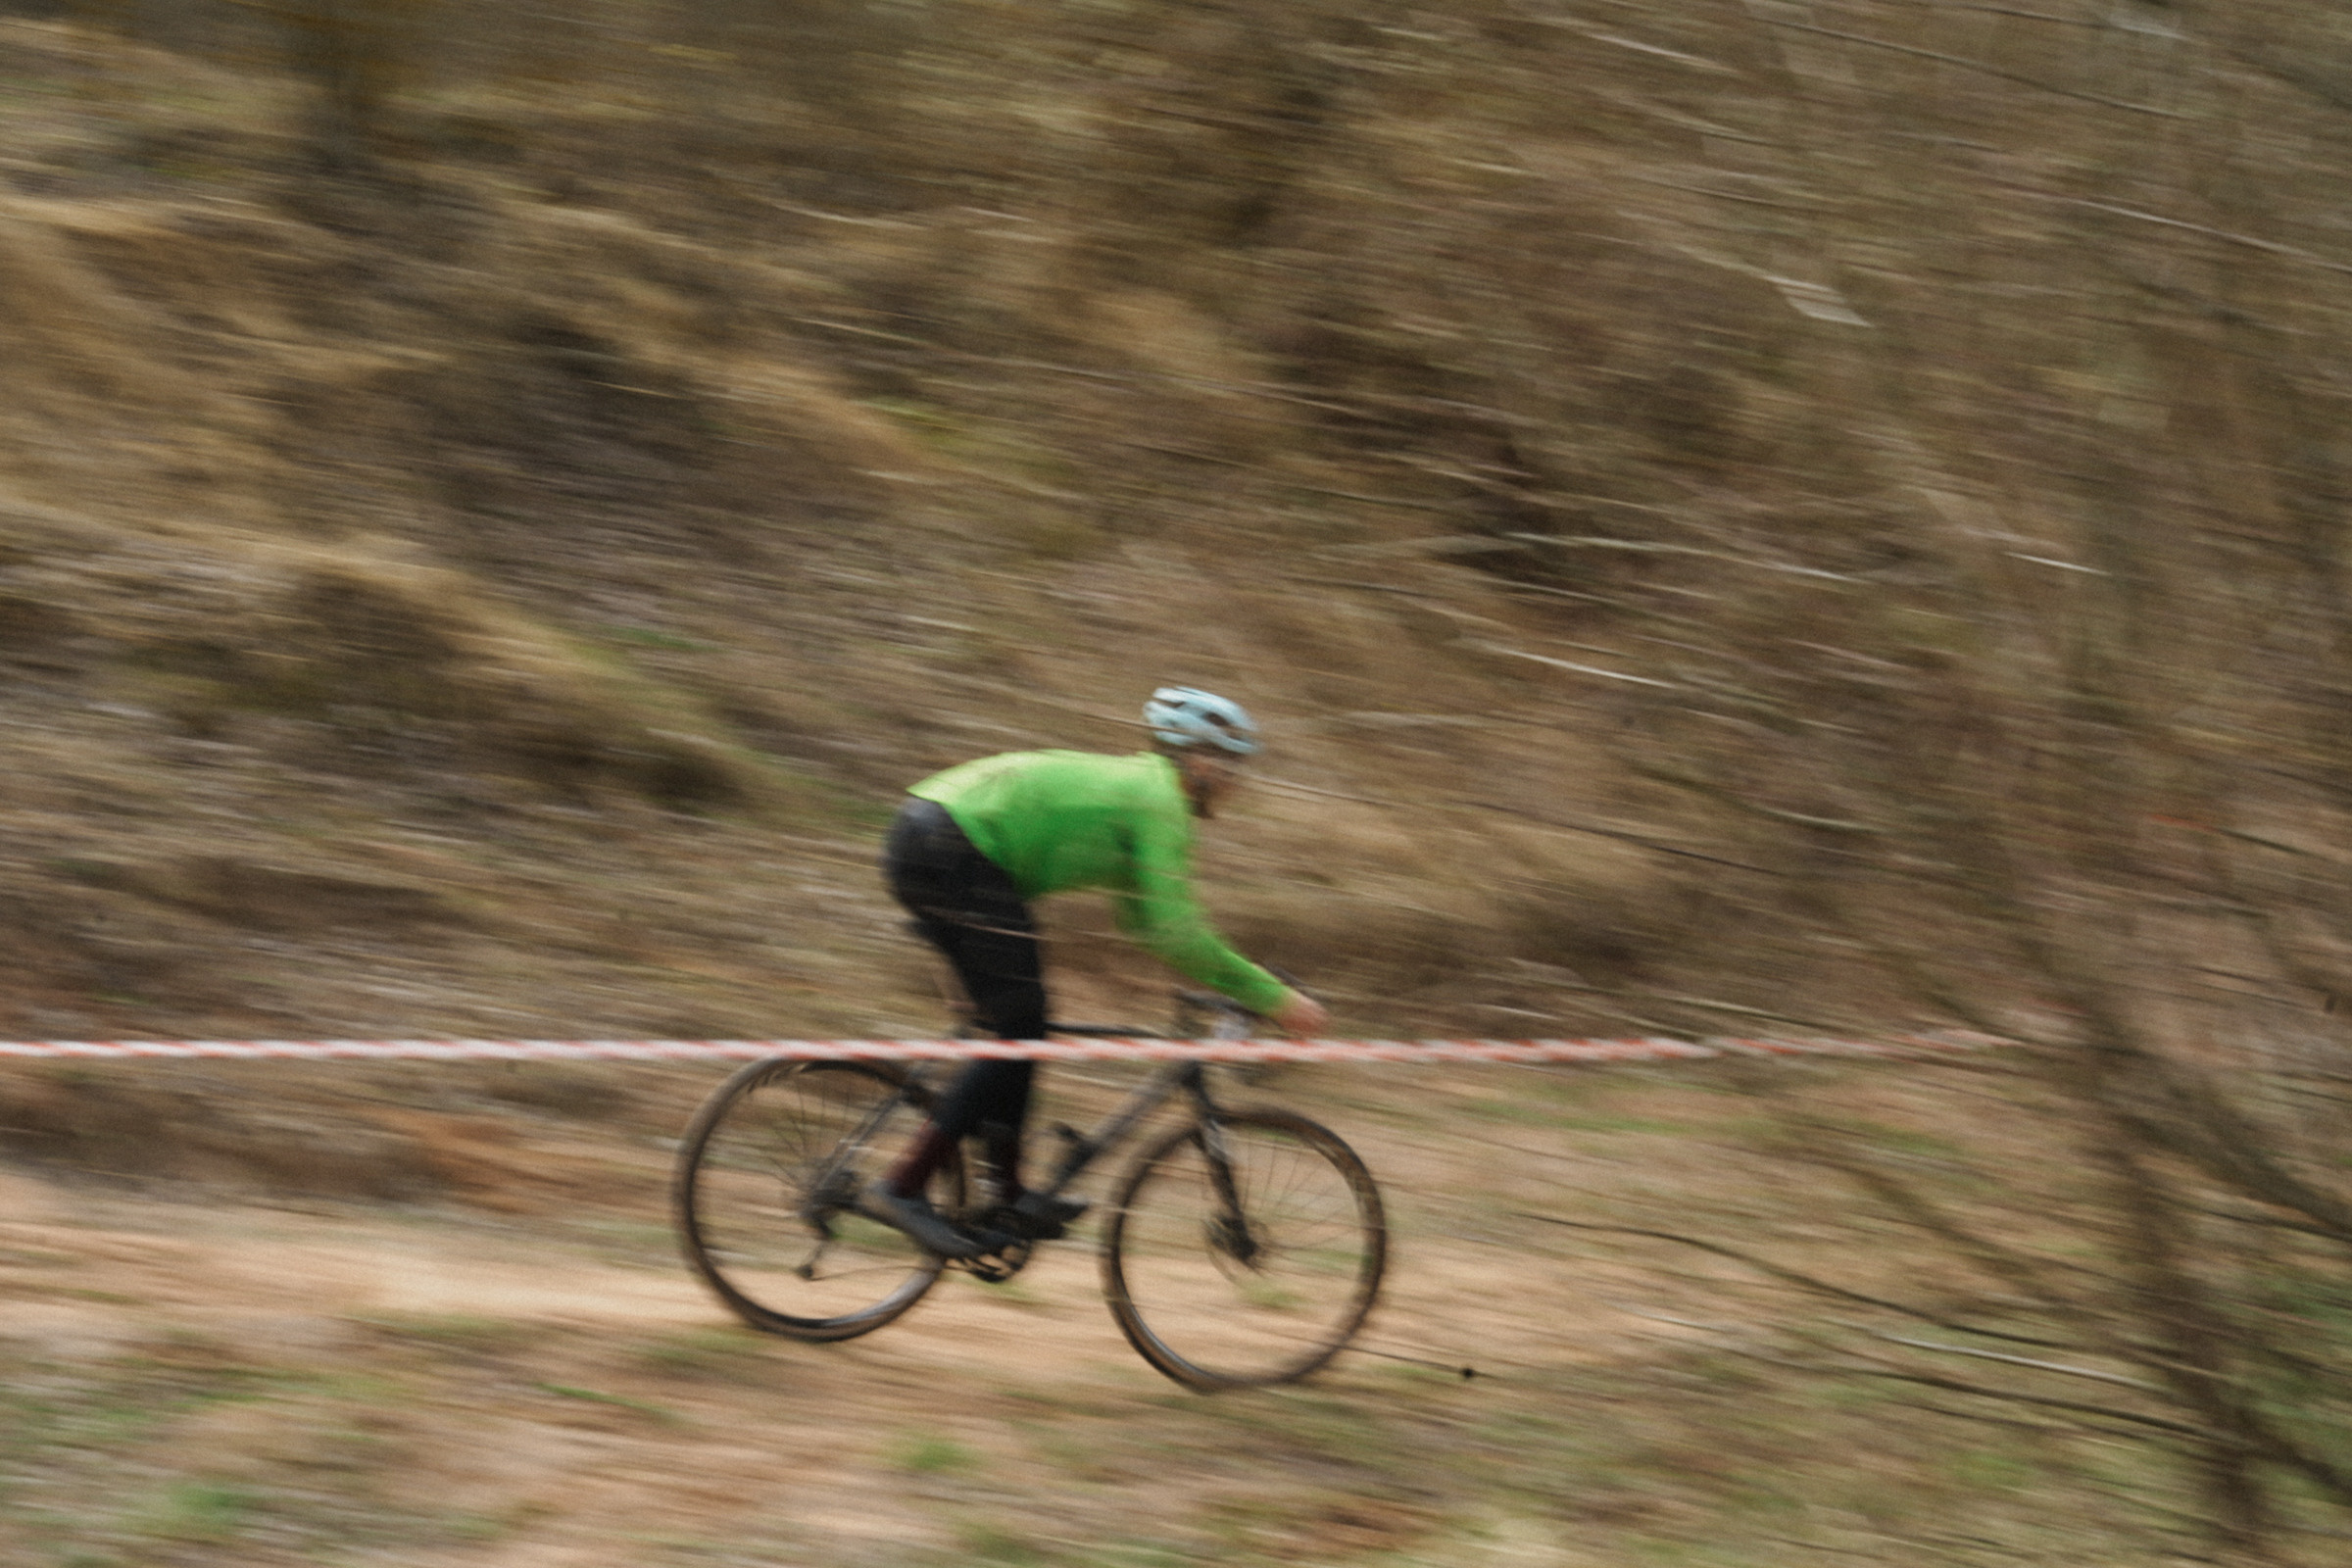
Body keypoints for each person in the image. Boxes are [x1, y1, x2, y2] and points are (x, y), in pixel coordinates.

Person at [863, 687, 1331, 1257]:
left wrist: (1235, 986)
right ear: (1202, 761)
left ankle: (1006, 1193)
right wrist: (1275, 998)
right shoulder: (1160, 801)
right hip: (953, 845)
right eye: (1235, 766)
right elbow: (1176, 931)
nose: (1239, 783)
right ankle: (903, 1187)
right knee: (1022, 1026)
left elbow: (1143, 920)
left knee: (1023, 1030)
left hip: (935, 837)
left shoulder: (1142, 791)